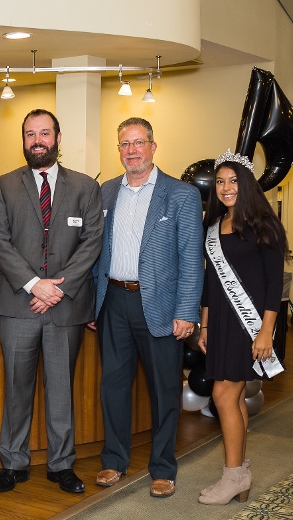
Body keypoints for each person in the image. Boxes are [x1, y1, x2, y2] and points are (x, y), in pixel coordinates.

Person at [0, 109, 103, 495]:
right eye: (30, 134)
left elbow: (91, 244)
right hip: (19, 305)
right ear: (23, 140)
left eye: (44, 133)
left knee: (61, 390)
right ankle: (13, 464)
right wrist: (35, 285)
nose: (37, 140)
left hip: (66, 306)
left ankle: (61, 465)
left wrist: (57, 288)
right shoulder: (4, 185)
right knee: (17, 389)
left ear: (58, 137)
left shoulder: (86, 187)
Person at [94, 117, 204, 498]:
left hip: (160, 305)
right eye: (125, 144)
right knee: (114, 386)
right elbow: (96, 252)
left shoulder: (181, 195)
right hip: (113, 301)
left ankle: (162, 467)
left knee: (163, 389)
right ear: (119, 149)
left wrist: (188, 311)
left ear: (153, 147)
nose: (132, 150)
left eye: (139, 143)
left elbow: (191, 258)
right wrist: (94, 304)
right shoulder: (106, 192)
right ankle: (114, 461)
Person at [196, 151, 287, 505]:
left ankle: (232, 477)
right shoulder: (214, 227)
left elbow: (273, 282)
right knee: (231, 396)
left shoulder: (264, 224)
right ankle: (241, 473)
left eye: (233, 181)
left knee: (222, 395)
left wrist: (267, 331)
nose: (225, 188)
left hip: (249, 324)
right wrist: (204, 324)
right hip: (219, 321)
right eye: (220, 182)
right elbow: (210, 281)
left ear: (246, 184)